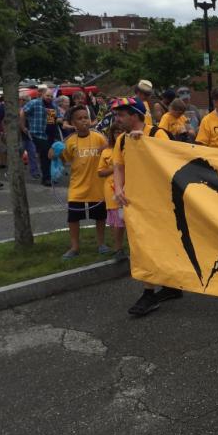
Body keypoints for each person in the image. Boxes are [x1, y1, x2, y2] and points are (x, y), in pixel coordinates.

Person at [111, 96, 182, 316]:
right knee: (142, 245)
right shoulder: (122, 140)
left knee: (163, 244)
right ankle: (149, 292)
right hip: (136, 202)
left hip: (160, 203)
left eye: (121, 115)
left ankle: (170, 286)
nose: (117, 119)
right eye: (117, 115)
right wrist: (118, 188)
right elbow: (118, 166)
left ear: (135, 115)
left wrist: (144, 145)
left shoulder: (157, 134)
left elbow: (170, 162)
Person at [50, 105, 109, 260]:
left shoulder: (99, 138)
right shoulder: (70, 141)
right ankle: (75, 247)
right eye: (80, 118)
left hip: (97, 184)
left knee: (100, 216)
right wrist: (54, 154)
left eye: (86, 118)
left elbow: (109, 153)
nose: (84, 121)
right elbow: (63, 159)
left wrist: (108, 147)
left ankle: (101, 243)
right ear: (72, 123)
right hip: (77, 185)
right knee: (73, 217)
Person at [97, 122, 127, 261]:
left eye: (121, 131)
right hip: (112, 189)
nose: (118, 134)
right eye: (116, 132)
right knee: (117, 220)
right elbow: (100, 172)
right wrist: (115, 167)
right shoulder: (106, 152)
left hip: (130, 187)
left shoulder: (129, 149)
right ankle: (118, 248)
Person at [20, 85, 56, 186]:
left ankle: (48, 177)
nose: (49, 98)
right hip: (38, 134)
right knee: (45, 155)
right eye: (47, 95)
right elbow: (23, 112)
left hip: (50, 134)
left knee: (49, 155)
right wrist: (23, 126)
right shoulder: (35, 102)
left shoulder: (53, 105)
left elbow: (58, 116)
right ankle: (46, 178)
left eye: (51, 96)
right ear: (42, 95)